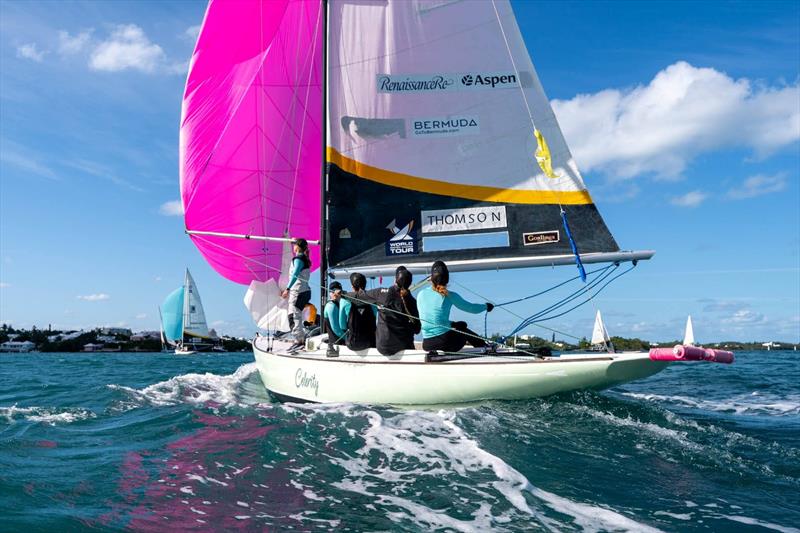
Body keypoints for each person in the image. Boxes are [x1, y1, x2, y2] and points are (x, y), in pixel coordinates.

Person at [416, 260, 493, 353]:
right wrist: (486, 306)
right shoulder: (449, 295)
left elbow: (432, 318)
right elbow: (471, 308)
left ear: (431, 278)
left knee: (459, 326)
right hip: (445, 343)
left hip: (427, 344)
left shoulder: (420, 294)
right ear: (447, 279)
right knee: (463, 329)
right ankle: (485, 347)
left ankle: (484, 345)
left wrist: (453, 324)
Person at [359, 266, 421, 356]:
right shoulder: (412, 301)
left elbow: (359, 296)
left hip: (383, 347)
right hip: (403, 346)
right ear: (410, 284)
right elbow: (417, 329)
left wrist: (343, 294)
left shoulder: (380, 293)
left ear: (394, 280)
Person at [281, 238, 311, 350]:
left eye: (294, 245)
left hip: (298, 292)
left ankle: (299, 341)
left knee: (295, 316)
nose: (293, 247)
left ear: (297, 247)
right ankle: (299, 337)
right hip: (304, 291)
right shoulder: (305, 258)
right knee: (292, 315)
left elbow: (295, 275)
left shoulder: (298, 259)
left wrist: (287, 289)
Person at [339, 272, 377, 351]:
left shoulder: (344, 301)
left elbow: (342, 326)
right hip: (371, 342)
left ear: (352, 286)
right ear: (365, 285)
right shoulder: (372, 300)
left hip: (353, 343)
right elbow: (375, 321)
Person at [322, 281, 346, 346]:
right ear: (330, 292)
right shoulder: (331, 306)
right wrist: (348, 338)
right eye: (333, 292)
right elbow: (336, 329)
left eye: (339, 292)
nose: (335, 294)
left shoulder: (339, 304)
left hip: (341, 341)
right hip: (337, 344)